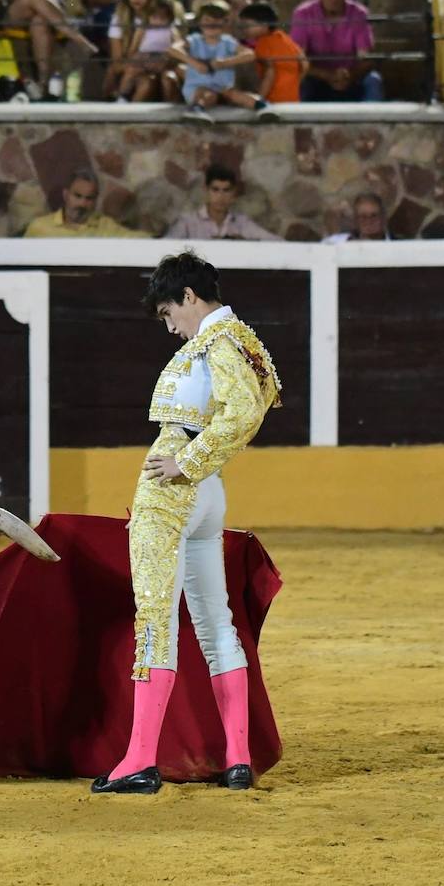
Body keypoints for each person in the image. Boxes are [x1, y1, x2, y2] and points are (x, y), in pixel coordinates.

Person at [91, 249, 281, 796]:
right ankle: (237, 759)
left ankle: (140, 761)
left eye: (170, 314)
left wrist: (186, 463)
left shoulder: (218, 342)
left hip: (174, 489)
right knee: (214, 620)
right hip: (209, 494)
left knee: (154, 618)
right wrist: (202, 467)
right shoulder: (244, 342)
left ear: (189, 297)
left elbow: (243, 413)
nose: (171, 327)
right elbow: (251, 406)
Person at [172, 0, 274, 124]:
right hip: (200, 88)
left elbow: (249, 54)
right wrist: (194, 63)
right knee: (208, 95)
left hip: (222, 87)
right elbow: (173, 49)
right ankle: (196, 109)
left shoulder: (227, 41)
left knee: (235, 95)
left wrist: (224, 63)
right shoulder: (194, 40)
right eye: (207, 20)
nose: (212, 24)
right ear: (200, 22)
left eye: (216, 21)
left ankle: (262, 107)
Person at [0, 0, 98, 95]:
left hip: (50, 12)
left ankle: (43, 82)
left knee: (39, 22)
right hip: (16, 12)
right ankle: (78, 38)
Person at [290, 0, 382, 102]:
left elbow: (366, 58)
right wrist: (327, 75)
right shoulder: (303, 13)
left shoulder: (359, 13)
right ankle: (298, 119)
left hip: (350, 77)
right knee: (298, 81)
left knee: (374, 80)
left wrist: (350, 75)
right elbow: (297, 58)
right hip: (316, 77)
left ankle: (373, 119)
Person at [164, 164, 280, 241]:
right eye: (215, 190)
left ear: (234, 193)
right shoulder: (187, 223)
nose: (221, 196)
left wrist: (246, 242)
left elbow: (276, 242)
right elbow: (165, 250)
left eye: (226, 190)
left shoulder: (242, 223)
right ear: (206, 190)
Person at [23, 170, 149, 237]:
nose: (82, 204)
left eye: (89, 198)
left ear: (96, 201)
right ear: (66, 195)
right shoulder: (39, 227)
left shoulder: (105, 226)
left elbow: (137, 240)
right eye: (77, 196)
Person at [112, 0, 175, 103]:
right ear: (148, 16)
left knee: (165, 72)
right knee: (131, 70)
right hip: (143, 59)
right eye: (155, 17)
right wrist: (138, 59)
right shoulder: (142, 30)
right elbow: (132, 50)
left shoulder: (171, 30)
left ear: (169, 18)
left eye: (162, 18)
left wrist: (167, 56)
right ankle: (122, 96)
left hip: (162, 59)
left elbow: (178, 46)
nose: (158, 21)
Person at [239, 1, 304, 104]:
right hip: (292, 98)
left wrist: (259, 100)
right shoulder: (284, 38)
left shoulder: (264, 43)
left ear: (264, 25)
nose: (244, 30)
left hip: (274, 100)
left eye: (247, 26)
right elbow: (304, 64)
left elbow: (270, 74)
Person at [323, 192, 391, 243]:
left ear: (383, 217)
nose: (369, 221)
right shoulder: (334, 243)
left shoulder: (398, 244)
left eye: (374, 216)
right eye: (363, 217)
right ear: (356, 220)